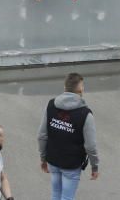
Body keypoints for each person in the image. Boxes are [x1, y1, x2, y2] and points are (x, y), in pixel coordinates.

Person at [37, 72, 100, 200]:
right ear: (81, 88)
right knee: (67, 197)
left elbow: (42, 135)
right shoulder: (85, 114)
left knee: (55, 194)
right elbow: (91, 146)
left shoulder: (51, 105)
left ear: (65, 87)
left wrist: (43, 158)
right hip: (72, 164)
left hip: (53, 160)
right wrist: (95, 166)